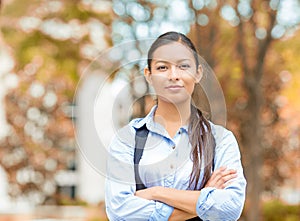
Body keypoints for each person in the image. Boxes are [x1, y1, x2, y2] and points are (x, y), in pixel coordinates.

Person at [105, 31, 246, 220]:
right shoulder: (128, 139)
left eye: (183, 66)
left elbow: (229, 209)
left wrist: (156, 193)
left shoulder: (221, 140)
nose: (173, 75)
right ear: (149, 75)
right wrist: (204, 197)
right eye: (162, 67)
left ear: (198, 73)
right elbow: (120, 211)